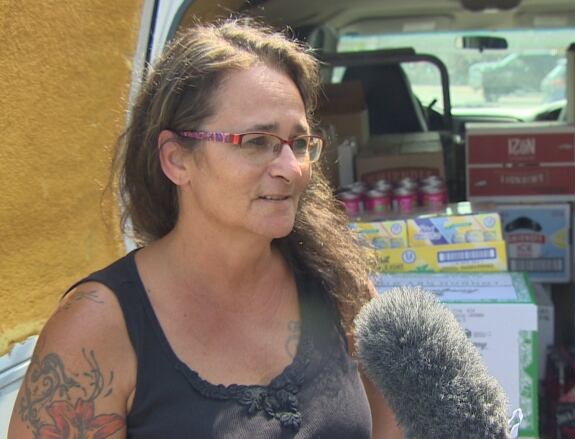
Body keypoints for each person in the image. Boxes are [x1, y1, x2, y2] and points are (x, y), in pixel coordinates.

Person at [8, 19, 402, 439]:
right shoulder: (97, 328)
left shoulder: (339, 287)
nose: (291, 168)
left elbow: (394, 426)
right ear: (177, 159)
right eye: (256, 141)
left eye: (300, 144)